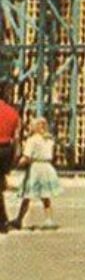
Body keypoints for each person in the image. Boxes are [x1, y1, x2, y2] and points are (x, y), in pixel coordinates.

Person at [8, 118, 61, 230]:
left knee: (27, 195)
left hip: (35, 168)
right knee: (45, 195)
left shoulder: (32, 140)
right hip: (47, 167)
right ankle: (49, 219)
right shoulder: (49, 139)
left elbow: (26, 157)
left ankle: (19, 220)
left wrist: (15, 165)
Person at [0, 85, 21, 233]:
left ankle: (2, 221)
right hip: (7, 150)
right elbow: (17, 137)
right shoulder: (13, 112)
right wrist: (15, 155)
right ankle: (3, 220)